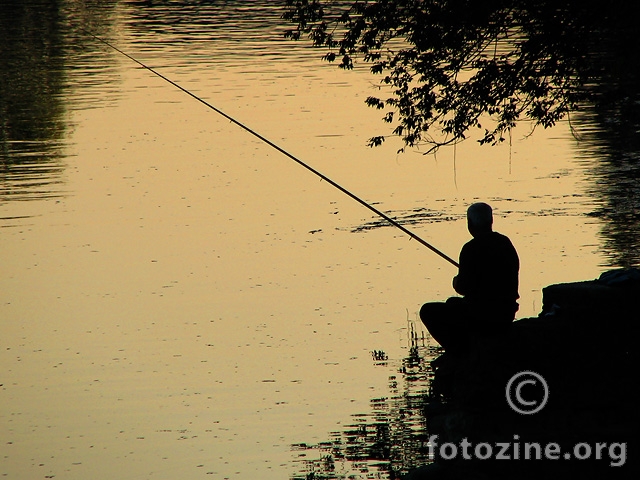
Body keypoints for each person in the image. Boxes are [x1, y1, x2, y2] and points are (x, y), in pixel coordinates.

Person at [420, 202, 519, 352]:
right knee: (452, 303)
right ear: (491, 221)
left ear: (470, 224)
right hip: (506, 313)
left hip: (482, 314)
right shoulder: (505, 243)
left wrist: (456, 281)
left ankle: (459, 351)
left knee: (427, 311)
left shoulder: (470, 249)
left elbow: (463, 287)